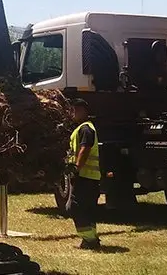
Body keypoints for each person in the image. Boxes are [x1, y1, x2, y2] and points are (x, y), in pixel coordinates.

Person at [66, 98, 101, 250]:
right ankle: (91, 239)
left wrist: (76, 168)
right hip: (90, 177)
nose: (73, 113)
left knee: (76, 207)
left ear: (85, 111)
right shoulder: (83, 128)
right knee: (88, 208)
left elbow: (84, 149)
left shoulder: (85, 129)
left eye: (76, 110)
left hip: (85, 176)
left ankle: (89, 239)